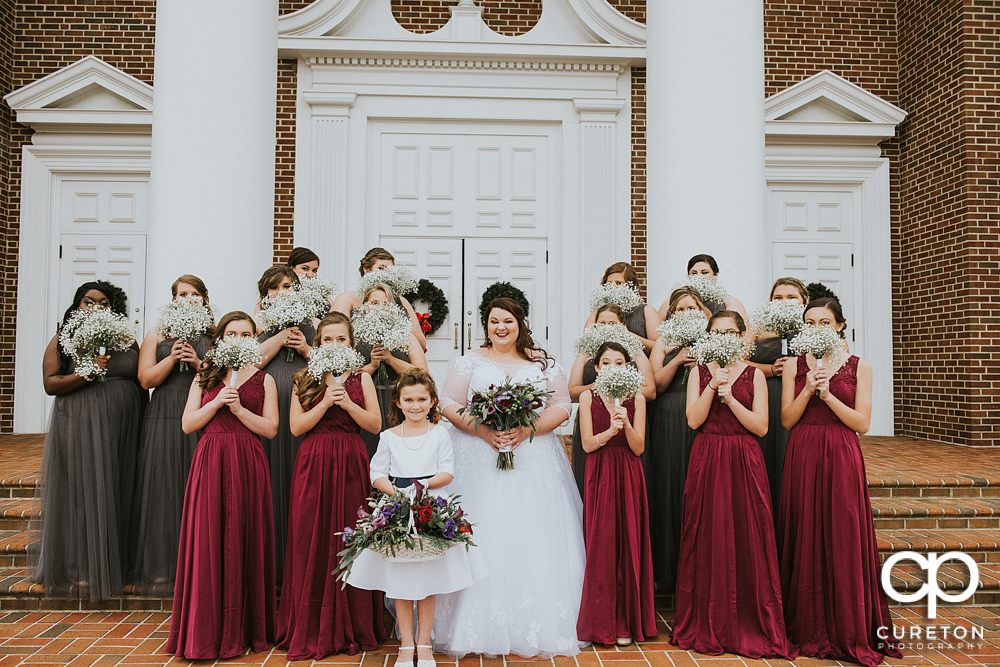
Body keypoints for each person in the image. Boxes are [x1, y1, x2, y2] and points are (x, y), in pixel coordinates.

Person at [433, 297, 585, 657]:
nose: (500, 327)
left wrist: (528, 428)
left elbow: (562, 405)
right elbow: (448, 403)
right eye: (493, 321)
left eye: (508, 321)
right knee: (479, 530)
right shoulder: (468, 362)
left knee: (532, 532)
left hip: (532, 458)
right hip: (477, 455)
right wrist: (483, 431)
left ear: (520, 324)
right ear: (486, 325)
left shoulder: (543, 364)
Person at [779, 298, 901, 666]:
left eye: (825, 322)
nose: (817, 328)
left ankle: (847, 625)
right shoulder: (794, 366)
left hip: (842, 452)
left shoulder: (859, 366)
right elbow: (787, 420)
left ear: (840, 327)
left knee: (842, 532)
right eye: (811, 322)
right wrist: (805, 390)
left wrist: (828, 394)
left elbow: (862, 424)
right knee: (804, 531)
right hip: (804, 451)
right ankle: (804, 624)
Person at [672, 311, 794, 660]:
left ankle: (748, 618)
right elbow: (694, 420)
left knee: (747, 532)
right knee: (707, 532)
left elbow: (761, 426)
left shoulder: (755, 373)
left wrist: (731, 397)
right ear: (708, 337)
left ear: (742, 337)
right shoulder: (698, 372)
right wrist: (713, 385)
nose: (724, 336)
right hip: (707, 454)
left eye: (730, 332)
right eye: (717, 332)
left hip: (744, 456)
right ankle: (708, 618)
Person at [348, 368, 487, 667]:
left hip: (430, 506)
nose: (415, 405)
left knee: (427, 577)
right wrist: (397, 493)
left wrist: (419, 488)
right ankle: (406, 645)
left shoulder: (439, 434)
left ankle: (424, 643)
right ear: (398, 402)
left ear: (433, 401)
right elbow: (377, 474)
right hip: (396, 506)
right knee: (400, 578)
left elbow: (447, 471)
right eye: (408, 400)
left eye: (422, 399)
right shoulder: (388, 437)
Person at [166, 312, 279, 660]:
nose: (239, 339)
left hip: (248, 460)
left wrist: (241, 411)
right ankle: (206, 630)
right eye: (232, 333)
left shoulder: (265, 379)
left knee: (245, 537)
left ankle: (246, 628)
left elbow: (271, 428)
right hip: (211, 459)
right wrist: (216, 402)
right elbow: (188, 424)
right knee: (209, 538)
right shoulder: (205, 376)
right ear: (221, 338)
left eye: (246, 334)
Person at [276, 313, 387, 659]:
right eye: (328, 339)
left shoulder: (362, 378)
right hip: (313, 462)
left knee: (351, 534)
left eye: (342, 339)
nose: (335, 345)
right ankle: (309, 624)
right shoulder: (303, 378)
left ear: (352, 344)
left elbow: (374, 424)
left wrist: (348, 402)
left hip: (351, 459)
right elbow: (295, 428)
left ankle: (353, 623)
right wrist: (325, 401)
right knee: (311, 537)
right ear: (318, 343)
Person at [31, 281, 143, 599]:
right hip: (81, 423)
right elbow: (51, 384)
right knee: (85, 490)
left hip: (123, 427)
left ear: (113, 308)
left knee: (119, 489)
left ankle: (120, 564)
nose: (95, 307)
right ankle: (81, 567)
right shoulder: (64, 338)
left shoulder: (126, 339)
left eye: (103, 303)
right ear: (77, 305)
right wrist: (87, 372)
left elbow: (140, 380)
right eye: (87, 301)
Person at [132, 275, 214, 595]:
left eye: (194, 294)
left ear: (204, 298)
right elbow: (145, 379)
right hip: (165, 415)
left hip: (201, 415)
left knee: (198, 488)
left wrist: (197, 361)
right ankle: (163, 567)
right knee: (164, 487)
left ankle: (199, 564)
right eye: (182, 294)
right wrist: (171, 357)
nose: (188, 298)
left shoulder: (214, 334)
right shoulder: (157, 333)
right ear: (173, 298)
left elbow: (224, 375)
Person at [576, 342, 656, 646]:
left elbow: (638, 448)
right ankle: (601, 621)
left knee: (629, 541)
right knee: (603, 541)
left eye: (619, 362)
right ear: (597, 369)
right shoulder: (587, 396)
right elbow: (586, 444)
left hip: (629, 472)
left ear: (628, 368)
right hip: (600, 471)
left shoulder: (637, 398)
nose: (612, 367)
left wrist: (625, 423)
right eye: (606, 363)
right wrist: (609, 431)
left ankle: (626, 620)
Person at [646, 286, 708, 591]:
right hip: (669, 418)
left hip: (703, 420)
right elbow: (654, 386)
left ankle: (701, 568)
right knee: (670, 486)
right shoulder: (663, 342)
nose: (686, 313)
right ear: (671, 315)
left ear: (702, 312)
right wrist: (678, 358)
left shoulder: (713, 341)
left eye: (691, 308)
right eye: (679, 309)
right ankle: (668, 570)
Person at [255, 265, 314, 581]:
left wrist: (305, 348)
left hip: (304, 403)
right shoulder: (258, 323)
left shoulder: (313, 323)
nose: (281, 293)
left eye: (288, 286)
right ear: (265, 294)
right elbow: (250, 364)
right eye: (274, 288)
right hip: (269, 403)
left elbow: (332, 363)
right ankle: (272, 562)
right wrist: (278, 338)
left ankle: (300, 562)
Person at [568, 303, 655, 496]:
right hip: (594, 419)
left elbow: (650, 391)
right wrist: (603, 385)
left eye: (612, 323)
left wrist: (622, 385)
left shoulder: (634, 350)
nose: (607, 327)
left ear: (623, 325)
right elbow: (573, 392)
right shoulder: (585, 351)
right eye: (602, 323)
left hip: (627, 420)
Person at [746, 277, 808, 531]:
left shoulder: (811, 327)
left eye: (791, 297)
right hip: (764, 396)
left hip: (799, 399)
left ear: (803, 301)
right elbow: (739, 361)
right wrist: (771, 369)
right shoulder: (758, 326)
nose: (784, 302)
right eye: (777, 298)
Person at [354, 282, 429, 459]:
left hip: (398, 402)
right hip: (366, 403)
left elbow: (423, 374)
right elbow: (347, 376)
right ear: (365, 307)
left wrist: (391, 360)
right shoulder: (353, 336)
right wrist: (372, 367)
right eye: (374, 303)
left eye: (385, 303)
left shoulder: (406, 336)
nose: (380, 307)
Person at [331, 247, 427, 349]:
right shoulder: (347, 298)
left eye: (390, 270)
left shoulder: (401, 301)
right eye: (381, 268)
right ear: (366, 270)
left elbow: (420, 342)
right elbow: (334, 334)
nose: (386, 273)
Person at [583, 262, 662, 353]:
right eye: (609, 283)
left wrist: (627, 335)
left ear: (631, 286)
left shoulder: (646, 311)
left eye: (618, 283)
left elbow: (659, 347)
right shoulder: (597, 312)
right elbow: (584, 347)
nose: (613, 287)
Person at [659, 254, 747, 320]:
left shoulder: (728, 302)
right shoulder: (670, 302)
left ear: (715, 275)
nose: (699, 277)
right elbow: (656, 332)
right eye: (693, 273)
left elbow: (745, 334)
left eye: (704, 272)